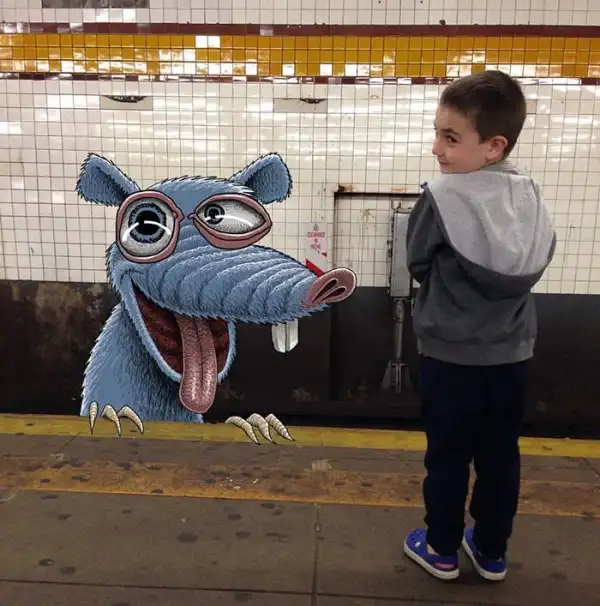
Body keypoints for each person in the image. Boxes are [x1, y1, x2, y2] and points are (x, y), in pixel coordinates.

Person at [402, 70, 556, 582]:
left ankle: (442, 549)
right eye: (437, 133)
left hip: (449, 354)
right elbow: (540, 257)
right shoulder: (529, 194)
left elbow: (418, 263)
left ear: (494, 145)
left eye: (450, 137)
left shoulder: (442, 197)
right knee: (500, 457)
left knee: (447, 456)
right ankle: (491, 552)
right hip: (512, 354)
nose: (437, 149)